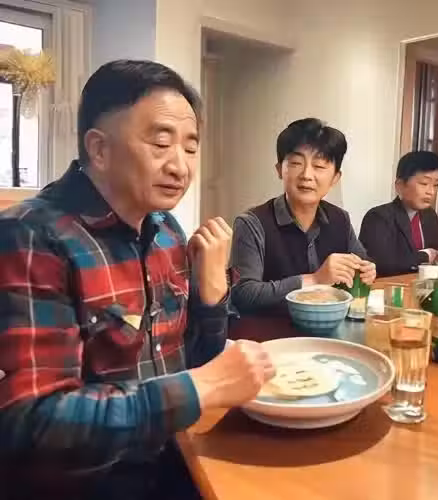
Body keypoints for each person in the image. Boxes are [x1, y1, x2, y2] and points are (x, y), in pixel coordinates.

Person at [0, 60, 275, 500]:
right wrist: (200, 387)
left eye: (190, 147)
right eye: (161, 143)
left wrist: (211, 298)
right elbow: (32, 420)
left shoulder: (166, 231)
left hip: (179, 463)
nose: (180, 167)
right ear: (99, 148)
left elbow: (195, 362)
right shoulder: (32, 234)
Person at [230, 118, 376, 314]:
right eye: (296, 163)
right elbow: (244, 294)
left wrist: (367, 271)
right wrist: (315, 279)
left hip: (329, 326)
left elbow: (362, 261)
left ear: (335, 178)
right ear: (279, 170)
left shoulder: (340, 219)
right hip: (270, 330)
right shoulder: (251, 223)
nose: (307, 175)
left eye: (319, 166)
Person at [359, 151, 438, 277]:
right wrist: (426, 255)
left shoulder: (430, 215)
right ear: (400, 186)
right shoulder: (378, 217)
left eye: (436, 185)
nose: (431, 192)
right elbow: (384, 264)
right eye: (424, 184)